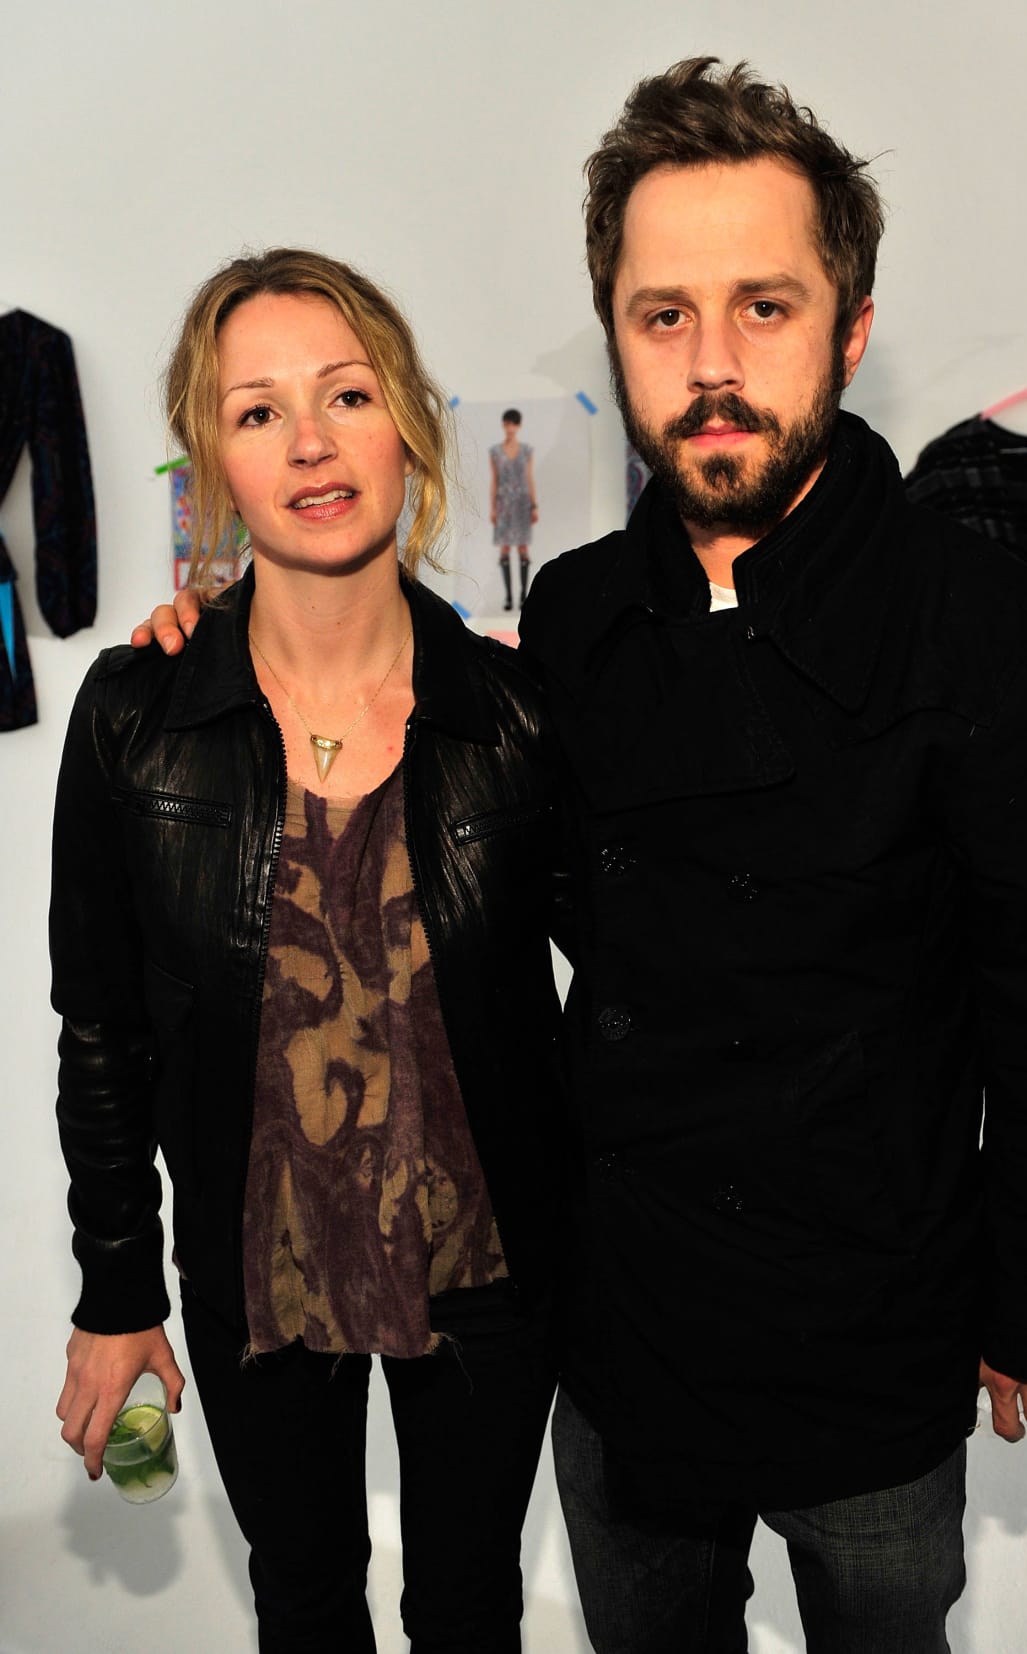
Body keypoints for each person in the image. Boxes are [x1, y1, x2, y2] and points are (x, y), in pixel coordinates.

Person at [138, 59, 1027, 1654]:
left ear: (852, 326)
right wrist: (213, 651)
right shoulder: (585, 619)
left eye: (766, 306)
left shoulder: (1000, 636)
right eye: (665, 315)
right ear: (614, 330)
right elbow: (436, 810)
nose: (715, 364)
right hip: (629, 1351)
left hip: (876, 1341)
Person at [52, 248, 564, 1654]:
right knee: (304, 1605)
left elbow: (654, 980)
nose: (312, 441)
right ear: (213, 455)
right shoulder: (134, 715)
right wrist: (116, 1291)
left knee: (469, 1607)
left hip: (489, 1275)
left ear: (408, 420)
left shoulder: (518, 713)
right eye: (257, 408)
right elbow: (98, 1026)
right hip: (251, 1269)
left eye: (347, 393)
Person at [490, 407, 538, 610]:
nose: (510, 428)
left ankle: (524, 595)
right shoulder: (495, 452)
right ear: (504, 425)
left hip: (521, 503)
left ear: (518, 426)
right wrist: (493, 507)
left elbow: (529, 478)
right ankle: (509, 596)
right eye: (507, 423)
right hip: (503, 503)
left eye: (513, 424)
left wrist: (534, 505)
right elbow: (494, 479)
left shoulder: (526, 451)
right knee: (504, 548)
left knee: (523, 547)